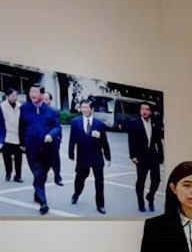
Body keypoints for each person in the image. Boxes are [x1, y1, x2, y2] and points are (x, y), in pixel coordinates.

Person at [19, 85, 61, 214]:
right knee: (38, 173)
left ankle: (37, 192)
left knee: (42, 174)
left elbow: (57, 127)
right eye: (31, 91)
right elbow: (21, 127)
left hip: (47, 148)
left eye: (35, 92)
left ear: (42, 95)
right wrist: (22, 143)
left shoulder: (51, 111)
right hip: (31, 147)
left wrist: (51, 135)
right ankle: (43, 203)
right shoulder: (25, 108)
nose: (32, 94)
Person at [68, 100, 111, 214]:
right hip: (82, 157)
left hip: (97, 157)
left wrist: (108, 156)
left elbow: (104, 142)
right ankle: (76, 194)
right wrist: (71, 153)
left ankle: (100, 205)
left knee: (99, 182)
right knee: (79, 179)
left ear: (92, 109)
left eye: (87, 107)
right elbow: (72, 139)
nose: (84, 110)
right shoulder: (75, 122)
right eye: (82, 107)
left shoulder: (99, 125)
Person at [124, 103, 164, 212]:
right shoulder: (135, 123)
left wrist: (161, 155)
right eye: (142, 109)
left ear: (150, 111)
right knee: (141, 181)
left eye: (147, 109)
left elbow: (158, 141)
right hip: (141, 156)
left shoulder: (155, 123)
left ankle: (150, 196)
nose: (144, 111)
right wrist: (132, 156)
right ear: (140, 110)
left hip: (153, 155)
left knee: (156, 179)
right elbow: (131, 141)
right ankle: (141, 203)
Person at [1, 88, 23, 182]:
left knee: (18, 158)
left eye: (16, 95)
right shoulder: (2, 106)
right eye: (13, 95)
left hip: (18, 136)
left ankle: (18, 176)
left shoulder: (20, 106)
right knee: (7, 157)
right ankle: (8, 173)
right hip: (7, 136)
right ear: (7, 96)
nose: (15, 97)